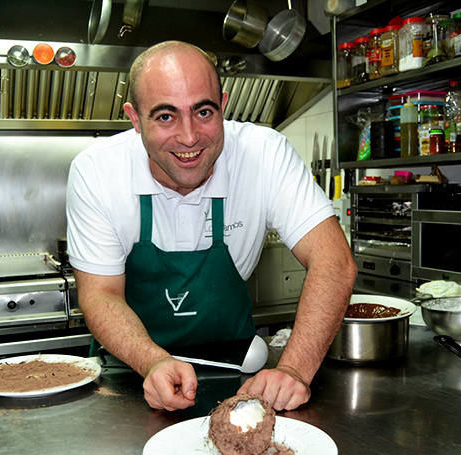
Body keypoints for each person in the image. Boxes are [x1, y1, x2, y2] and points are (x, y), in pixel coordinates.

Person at [66, 41, 356, 412]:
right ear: (135, 118)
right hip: (130, 377)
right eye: (165, 117)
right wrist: (153, 361)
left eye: (203, 112)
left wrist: (294, 370)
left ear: (223, 103)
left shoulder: (263, 154)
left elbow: (333, 262)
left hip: (237, 373)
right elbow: (100, 294)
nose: (189, 137)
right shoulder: (97, 171)